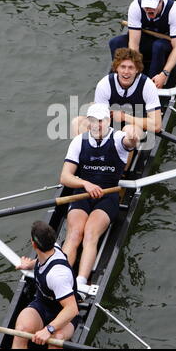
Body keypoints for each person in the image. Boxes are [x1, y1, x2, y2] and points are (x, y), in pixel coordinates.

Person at [61, 103, 140, 289]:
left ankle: (81, 283)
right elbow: (65, 177)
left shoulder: (118, 138)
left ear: (108, 121)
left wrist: (131, 133)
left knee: (90, 233)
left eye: (101, 121)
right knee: (73, 235)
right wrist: (84, 184)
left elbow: (130, 142)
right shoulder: (79, 141)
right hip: (82, 194)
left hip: (108, 196)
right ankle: (61, 280)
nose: (97, 125)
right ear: (88, 122)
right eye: (93, 121)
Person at [12, 221, 79, 349]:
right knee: (21, 330)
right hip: (42, 305)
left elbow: (72, 309)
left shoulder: (57, 276)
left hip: (65, 315)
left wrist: (49, 329)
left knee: (55, 340)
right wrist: (30, 265)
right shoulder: (52, 247)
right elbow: (41, 259)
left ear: (33, 244)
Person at [72, 48, 162, 136]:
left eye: (131, 68)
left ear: (137, 70)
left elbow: (157, 125)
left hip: (136, 127)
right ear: (116, 68)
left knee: (128, 131)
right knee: (77, 123)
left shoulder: (147, 85)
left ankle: (127, 148)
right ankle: (88, 148)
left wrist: (124, 117)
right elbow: (99, 121)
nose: (126, 72)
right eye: (123, 67)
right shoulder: (105, 84)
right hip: (109, 124)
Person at [109, 0, 176, 88]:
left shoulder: (174, 10)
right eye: (146, 6)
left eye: (152, 6)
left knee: (158, 46)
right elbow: (134, 44)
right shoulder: (136, 6)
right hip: (145, 40)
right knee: (115, 42)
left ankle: (152, 85)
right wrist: (133, 68)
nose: (148, 9)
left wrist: (165, 73)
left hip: (165, 44)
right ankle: (121, 78)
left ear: (160, 2)